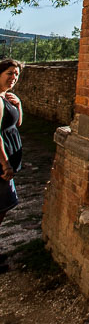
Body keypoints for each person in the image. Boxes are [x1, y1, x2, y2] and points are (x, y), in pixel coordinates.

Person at [0, 59, 23, 231]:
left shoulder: (5, 96)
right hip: (1, 167)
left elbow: (17, 123)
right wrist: (5, 164)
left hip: (7, 165)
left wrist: (18, 105)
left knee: (4, 206)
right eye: (9, 73)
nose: (13, 77)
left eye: (16, 74)